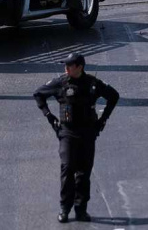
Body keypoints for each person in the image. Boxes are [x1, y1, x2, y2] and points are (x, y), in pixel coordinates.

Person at [33, 53, 119, 223]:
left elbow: (114, 96)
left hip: (87, 132)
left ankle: (81, 209)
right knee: (67, 168)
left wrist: (102, 121)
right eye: (65, 65)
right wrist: (50, 117)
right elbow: (38, 94)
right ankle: (65, 209)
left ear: (80, 67)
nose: (66, 68)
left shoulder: (92, 84)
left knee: (84, 172)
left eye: (70, 65)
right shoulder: (61, 82)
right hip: (67, 132)